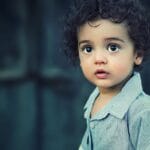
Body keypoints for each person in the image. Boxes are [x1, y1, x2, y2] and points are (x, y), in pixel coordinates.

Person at [63, 0, 150, 149]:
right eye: (88, 49)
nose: (99, 59)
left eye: (112, 47)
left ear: (138, 54)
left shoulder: (142, 111)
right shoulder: (95, 98)